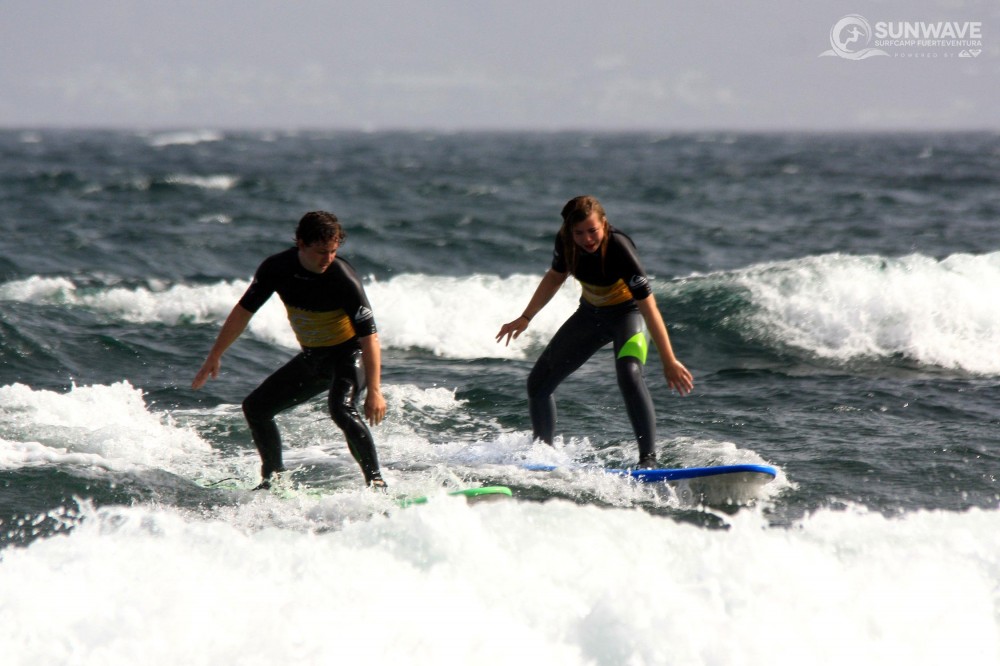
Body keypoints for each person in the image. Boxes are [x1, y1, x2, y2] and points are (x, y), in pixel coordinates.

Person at [192, 211, 387, 490]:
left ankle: (376, 482)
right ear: (300, 243)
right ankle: (274, 480)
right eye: (321, 252)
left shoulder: (342, 278)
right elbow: (243, 312)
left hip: (350, 355)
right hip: (314, 358)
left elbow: (370, 337)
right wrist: (215, 355)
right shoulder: (277, 268)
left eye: (333, 251)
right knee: (256, 408)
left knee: (341, 408)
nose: (327, 259)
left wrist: (376, 391)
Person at [496, 195, 693, 468]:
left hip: (629, 315)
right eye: (579, 233)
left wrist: (669, 360)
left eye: (593, 231)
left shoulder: (620, 249)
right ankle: (542, 456)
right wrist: (526, 317)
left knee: (629, 373)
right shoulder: (566, 243)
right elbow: (555, 276)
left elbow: (649, 308)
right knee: (538, 384)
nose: (587, 239)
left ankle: (648, 459)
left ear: (604, 224)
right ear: (568, 231)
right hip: (590, 315)